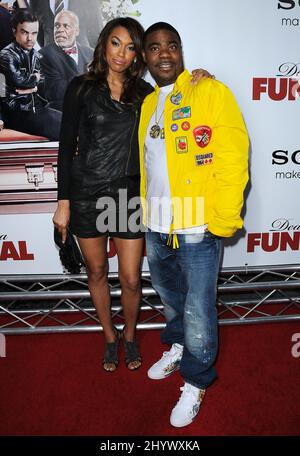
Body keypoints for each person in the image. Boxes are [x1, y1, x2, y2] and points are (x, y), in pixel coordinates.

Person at [53, 17, 211, 373]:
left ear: (138, 53)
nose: (121, 53)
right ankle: (110, 336)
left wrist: (199, 79)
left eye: (129, 46)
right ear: (103, 44)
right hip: (86, 194)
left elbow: (181, 101)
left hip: (127, 195)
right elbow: (65, 149)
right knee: (96, 271)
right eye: (115, 43)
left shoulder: (146, 94)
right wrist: (63, 202)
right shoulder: (79, 87)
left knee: (129, 278)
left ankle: (129, 335)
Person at [139, 22, 249, 427]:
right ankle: (179, 346)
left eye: (171, 46)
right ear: (145, 57)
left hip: (198, 224)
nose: (164, 54)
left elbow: (234, 157)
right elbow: (150, 168)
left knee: (199, 308)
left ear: (181, 52)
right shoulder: (149, 104)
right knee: (170, 297)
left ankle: (197, 379)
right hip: (157, 224)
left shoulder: (210, 91)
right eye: (154, 47)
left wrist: (222, 219)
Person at [0, 9, 62, 139]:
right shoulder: (6, 55)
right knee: (59, 123)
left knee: (70, 117)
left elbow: (43, 82)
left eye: (34, 33)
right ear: (14, 31)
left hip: (34, 107)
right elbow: (19, 80)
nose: (30, 38)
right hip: (17, 111)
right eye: (25, 32)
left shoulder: (35, 54)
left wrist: (30, 86)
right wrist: (34, 80)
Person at [39, 10, 93, 111]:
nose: (60, 30)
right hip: (62, 114)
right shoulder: (44, 55)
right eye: (57, 26)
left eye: (66, 26)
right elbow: (56, 92)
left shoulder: (90, 53)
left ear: (77, 31)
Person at [27, 0, 104, 49]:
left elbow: (96, 35)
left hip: (81, 66)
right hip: (51, 64)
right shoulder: (36, 1)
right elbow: (39, 32)